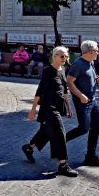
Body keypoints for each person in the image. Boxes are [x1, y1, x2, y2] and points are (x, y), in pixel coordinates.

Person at [21, 46, 78, 177]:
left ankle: (28, 148)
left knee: (46, 132)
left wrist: (68, 107)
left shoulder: (63, 69)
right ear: (54, 56)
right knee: (59, 132)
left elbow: (64, 90)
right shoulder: (47, 71)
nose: (65, 58)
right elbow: (39, 91)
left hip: (59, 107)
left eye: (66, 56)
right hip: (48, 108)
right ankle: (63, 165)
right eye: (62, 56)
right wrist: (33, 109)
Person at [66, 40, 99, 167]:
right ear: (90, 52)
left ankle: (90, 157)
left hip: (93, 100)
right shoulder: (78, 64)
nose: (98, 52)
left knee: (96, 128)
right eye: (96, 50)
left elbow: (89, 76)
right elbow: (69, 82)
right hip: (82, 102)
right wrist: (80, 95)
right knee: (83, 129)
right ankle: (58, 141)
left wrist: (98, 78)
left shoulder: (91, 62)